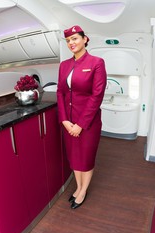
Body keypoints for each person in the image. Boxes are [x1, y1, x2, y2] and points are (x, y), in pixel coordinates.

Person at [56, 25, 107, 209]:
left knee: (85, 157)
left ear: (85, 39)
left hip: (88, 123)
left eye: (75, 39)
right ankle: (78, 187)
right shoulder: (64, 65)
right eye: (68, 40)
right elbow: (60, 93)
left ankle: (83, 191)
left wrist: (80, 124)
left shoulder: (96, 63)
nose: (71, 43)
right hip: (68, 122)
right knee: (74, 157)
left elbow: (97, 95)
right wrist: (64, 120)